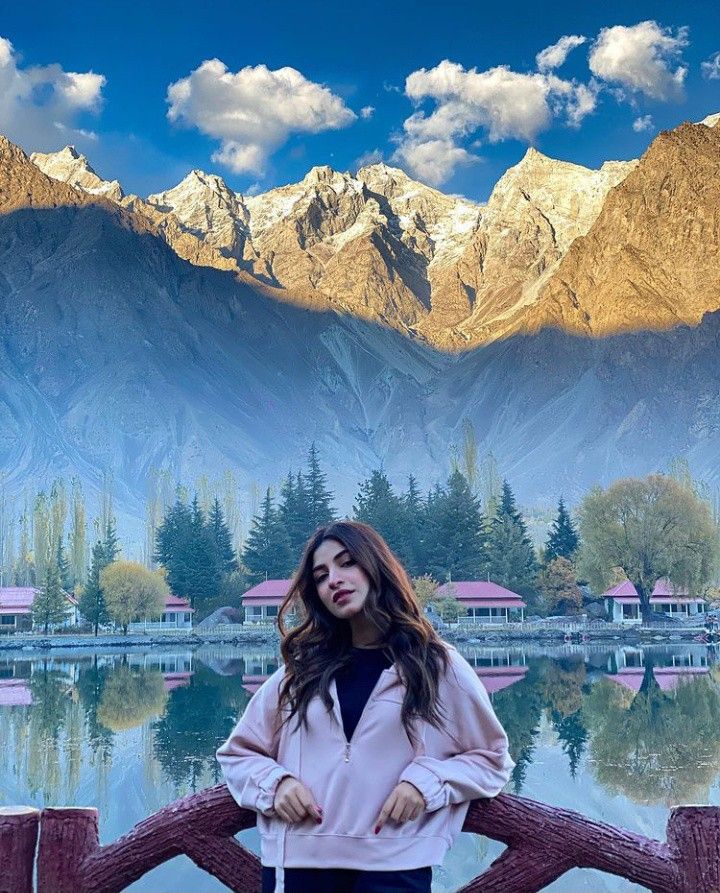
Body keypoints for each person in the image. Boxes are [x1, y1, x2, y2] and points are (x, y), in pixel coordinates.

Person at [217, 521, 514, 893]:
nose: (334, 581)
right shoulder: (301, 671)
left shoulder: (436, 666)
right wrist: (276, 784)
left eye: (347, 563)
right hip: (297, 863)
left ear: (375, 565)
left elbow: (492, 758)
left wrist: (427, 783)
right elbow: (237, 755)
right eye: (321, 576)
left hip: (396, 865)